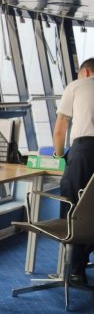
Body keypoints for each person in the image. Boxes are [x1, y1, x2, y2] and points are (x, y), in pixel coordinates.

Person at [52, 57, 94, 285]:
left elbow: (60, 130)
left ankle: (75, 269)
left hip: (84, 151)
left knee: (73, 206)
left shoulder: (76, 86)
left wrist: (59, 156)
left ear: (85, 72)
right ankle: (82, 260)